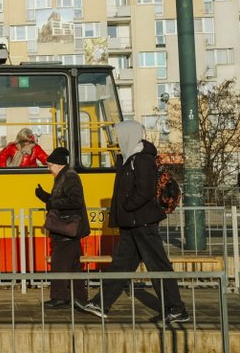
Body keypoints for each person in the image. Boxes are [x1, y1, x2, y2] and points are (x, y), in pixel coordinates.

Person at [81, 120, 190, 324]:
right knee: (121, 265)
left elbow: (145, 191)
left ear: (128, 135)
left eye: (119, 135)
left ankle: (176, 308)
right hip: (131, 223)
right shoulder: (127, 158)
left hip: (143, 222)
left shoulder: (141, 160)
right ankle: (100, 303)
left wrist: (128, 206)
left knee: (157, 265)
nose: (116, 140)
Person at [34, 147, 89, 309]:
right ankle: (79, 298)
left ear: (58, 164)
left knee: (59, 263)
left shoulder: (69, 177)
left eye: (50, 165)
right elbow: (62, 199)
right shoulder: (64, 176)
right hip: (67, 230)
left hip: (66, 229)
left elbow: (75, 201)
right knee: (72, 266)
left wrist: (51, 202)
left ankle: (60, 297)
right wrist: (45, 196)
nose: (48, 169)